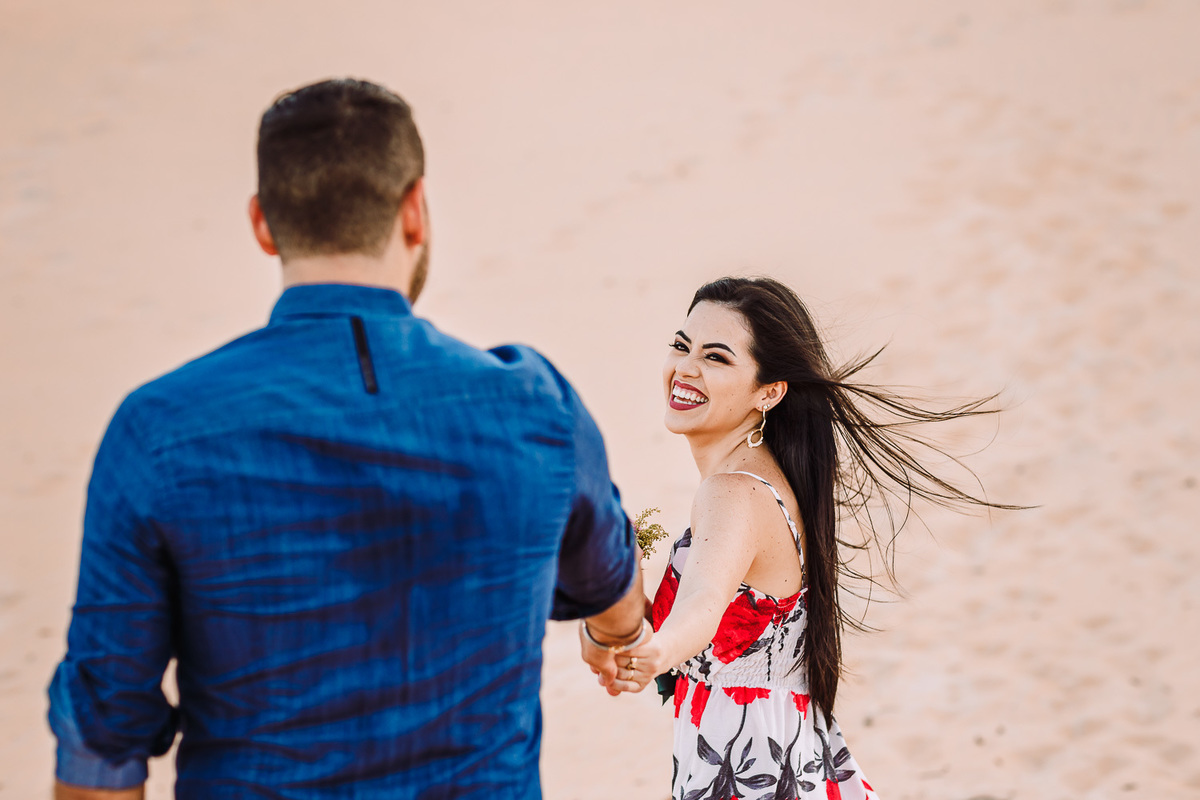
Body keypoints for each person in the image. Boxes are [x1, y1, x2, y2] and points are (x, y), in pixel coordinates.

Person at [46, 78, 647, 800]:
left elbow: (105, 737)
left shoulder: (158, 431)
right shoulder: (537, 407)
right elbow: (611, 592)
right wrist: (613, 636)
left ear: (263, 224)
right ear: (416, 211)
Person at [601, 277, 1013, 799]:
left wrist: (653, 657)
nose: (686, 367)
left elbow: (703, 609)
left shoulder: (733, 492)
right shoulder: (766, 480)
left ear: (769, 392)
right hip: (774, 756)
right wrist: (625, 579)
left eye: (716, 357)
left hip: (751, 770)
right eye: (682, 346)